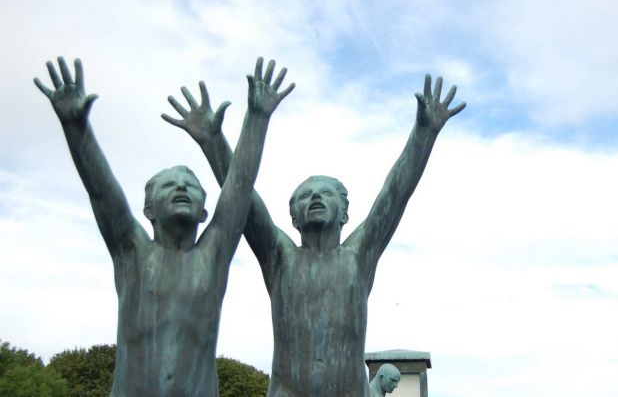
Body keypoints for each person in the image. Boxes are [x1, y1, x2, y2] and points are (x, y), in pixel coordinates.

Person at [163, 65, 465, 396]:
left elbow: (394, 196)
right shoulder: (280, 257)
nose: (316, 197)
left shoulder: (358, 257)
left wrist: (424, 133)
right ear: (293, 218)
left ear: (345, 213)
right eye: (305, 196)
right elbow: (242, 197)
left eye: (325, 194)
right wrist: (212, 140)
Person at [35, 56, 293, 396]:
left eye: (190, 187)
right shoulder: (132, 252)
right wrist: (76, 128)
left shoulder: (213, 256)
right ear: (148, 209)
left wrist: (257, 118)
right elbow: (101, 191)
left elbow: (239, 186)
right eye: (169, 186)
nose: (182, 188)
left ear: (205, 212)